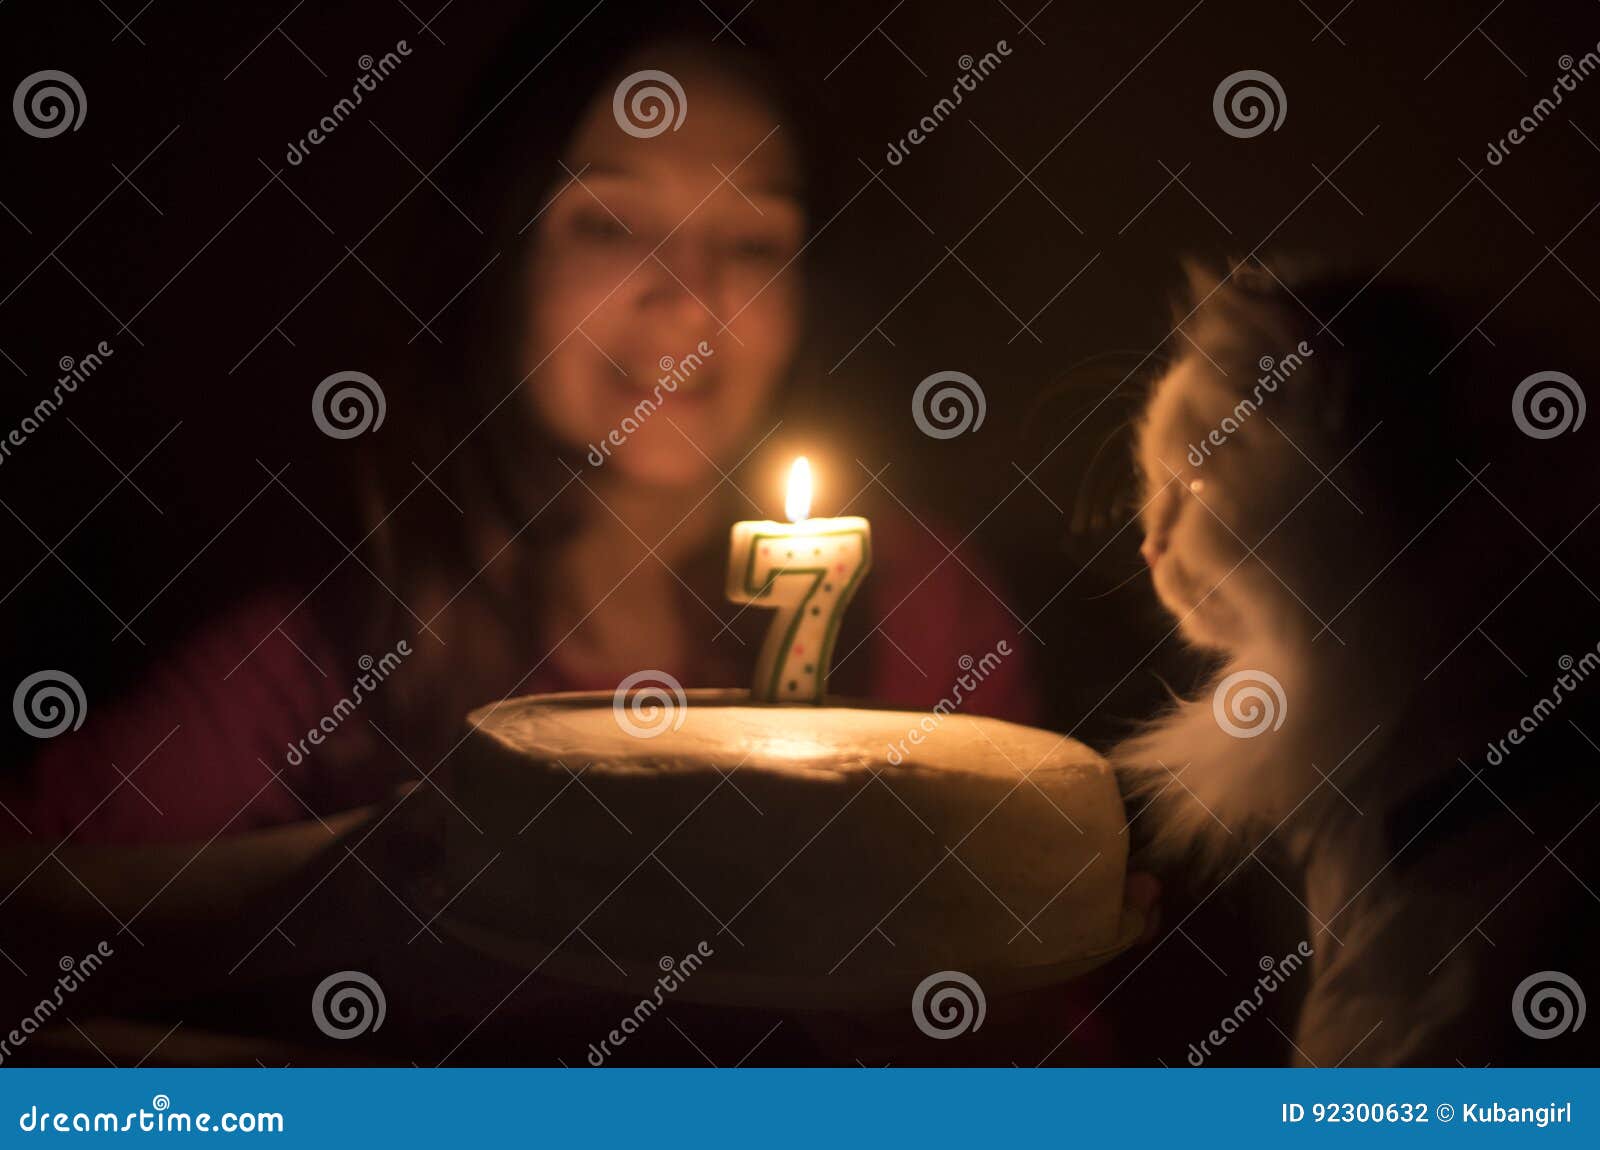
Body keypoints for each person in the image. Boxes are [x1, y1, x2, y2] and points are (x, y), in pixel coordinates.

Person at [2, 14, 1033, 844]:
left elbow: (1058, 1036)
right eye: (611, 225)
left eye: (753, 240)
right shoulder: (339, 657)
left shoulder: (920, 615)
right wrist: (328, 901)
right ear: (495, 262)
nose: (691, 301)